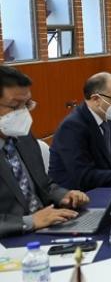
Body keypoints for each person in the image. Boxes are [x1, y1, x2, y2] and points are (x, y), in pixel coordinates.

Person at [0, 66, 90, 237]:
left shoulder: (24, 138)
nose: (23, 113)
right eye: (14, 106)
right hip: (11, 241)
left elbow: (45, 185)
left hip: (47, 227)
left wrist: (65, 195)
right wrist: (30, 222)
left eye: (27, 104)